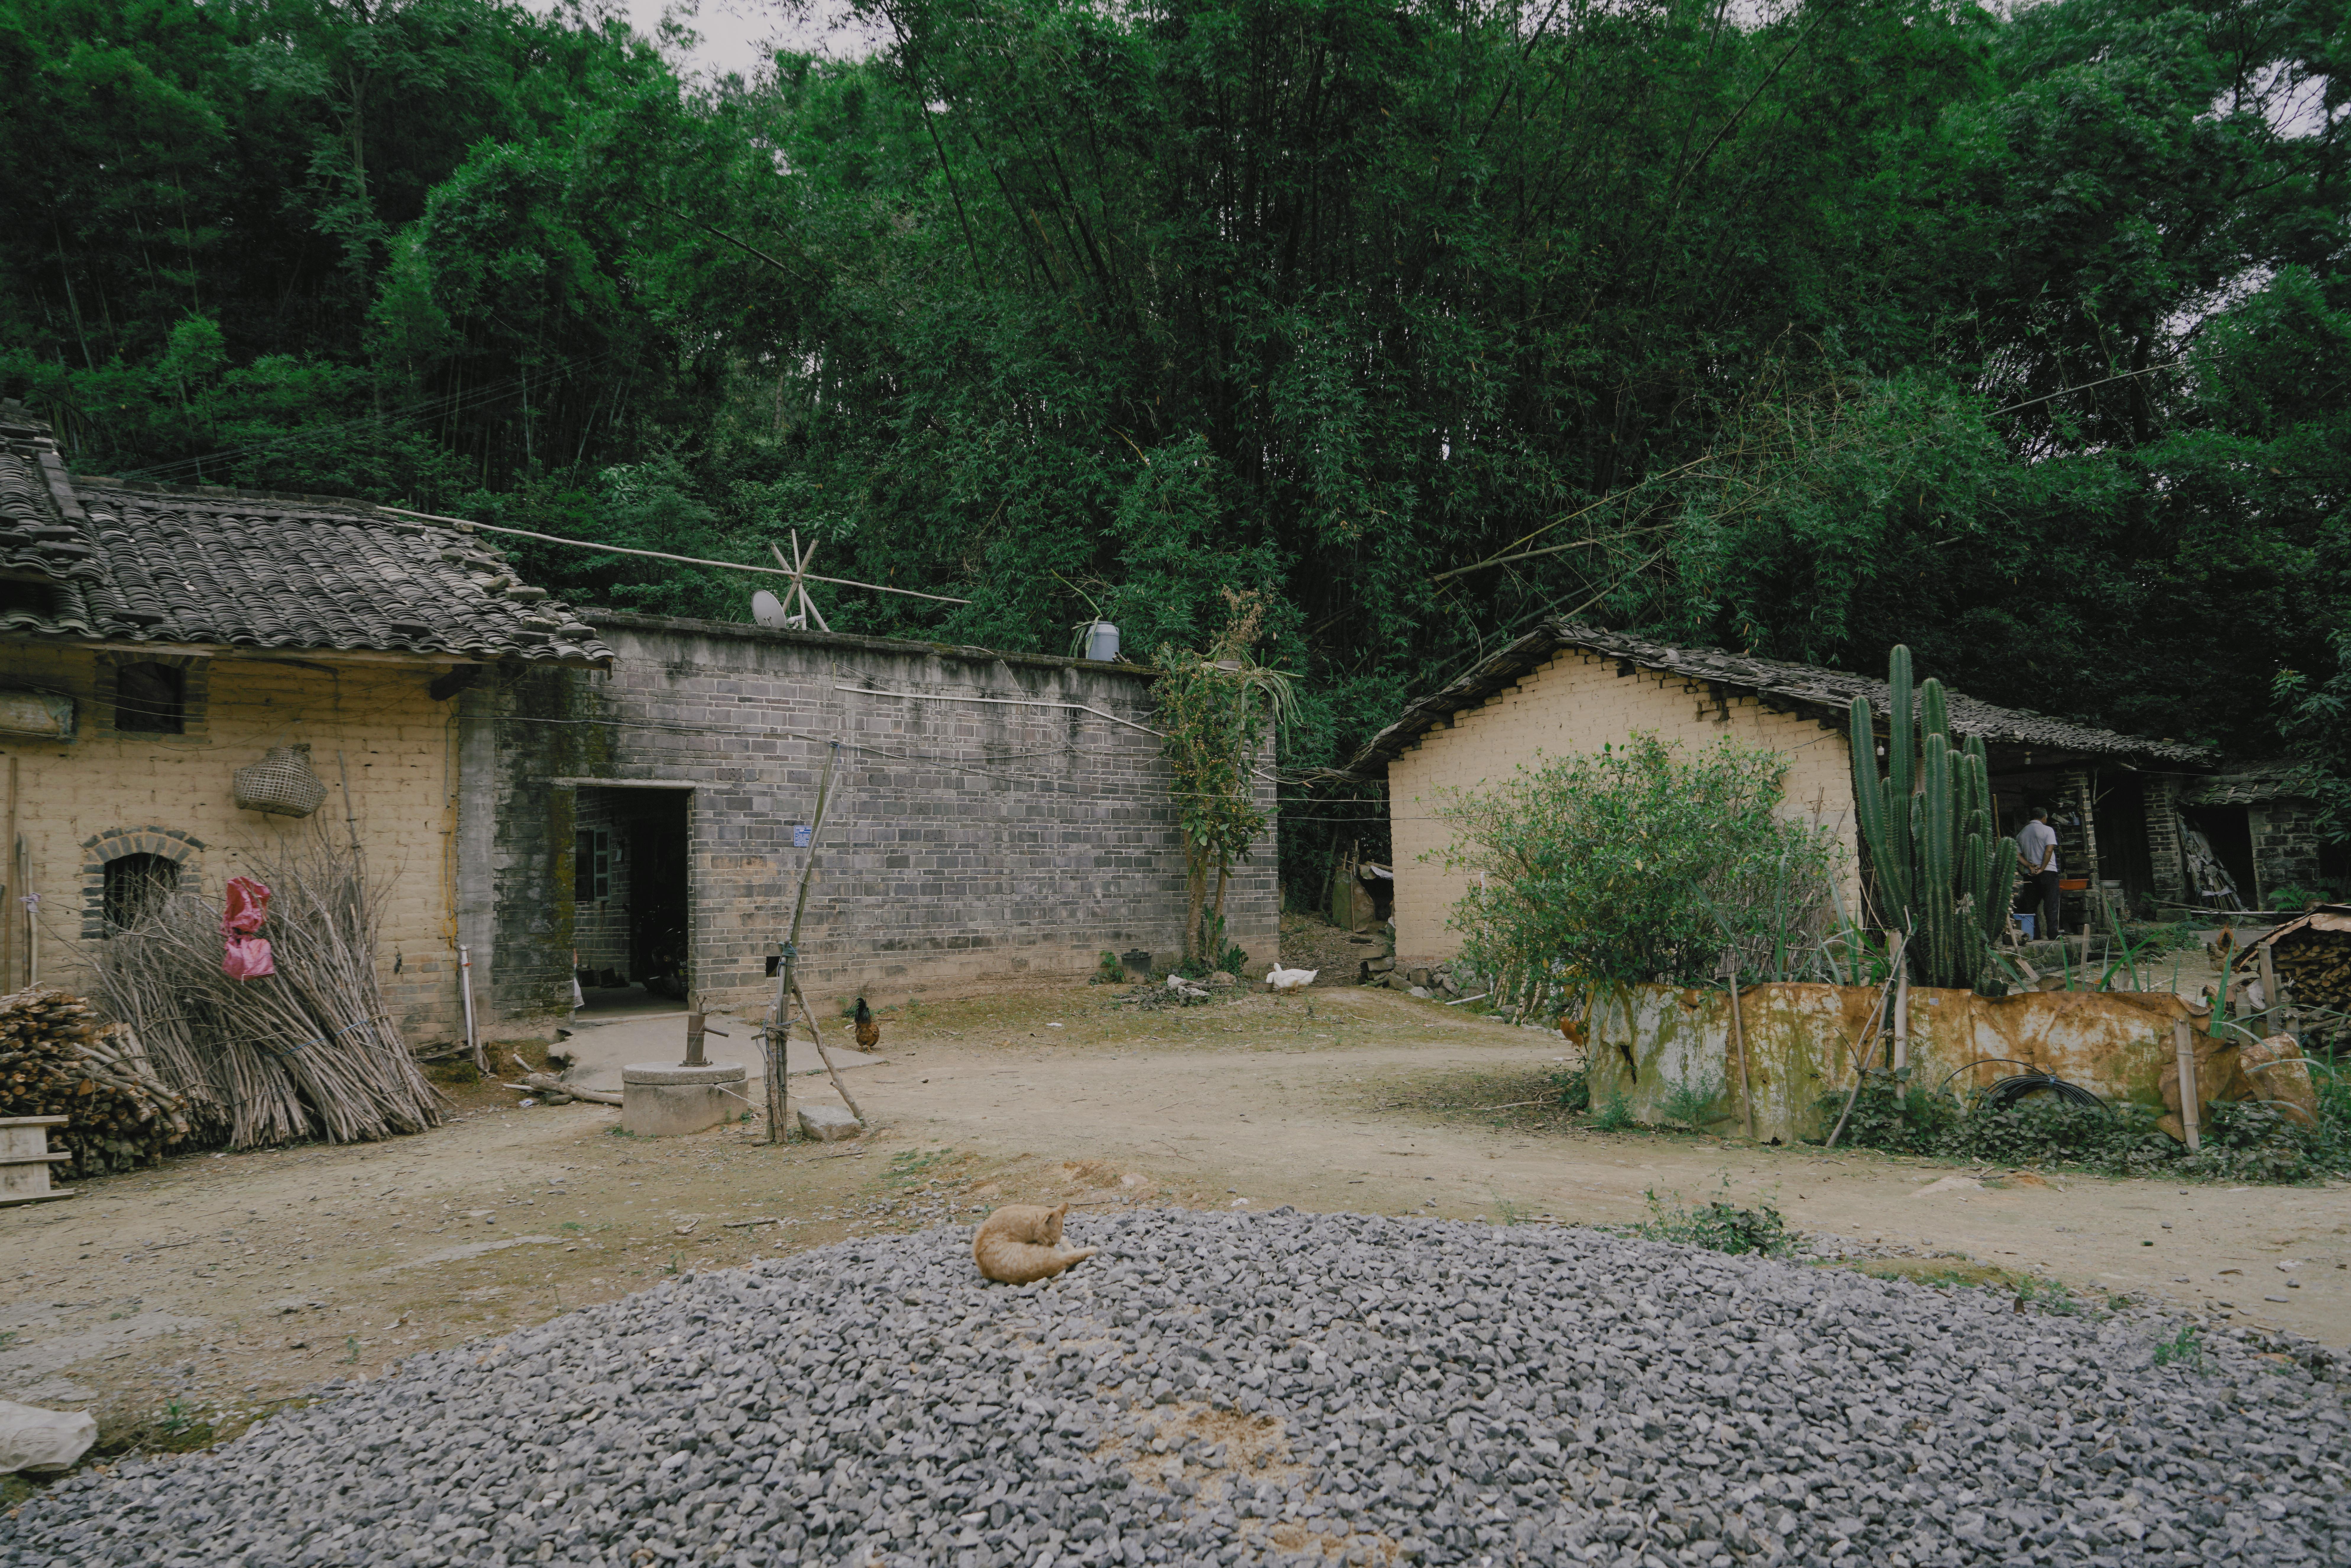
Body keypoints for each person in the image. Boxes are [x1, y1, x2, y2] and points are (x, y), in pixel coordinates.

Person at [2016, 806, 2061, 940]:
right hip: (2048, 872)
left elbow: (2018, 855)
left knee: (2031, 906)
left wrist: (2029, 866)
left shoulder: (2021, 834)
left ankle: (2034, 934)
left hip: (2029, 874)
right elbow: (2049, 851)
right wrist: (2042, 868)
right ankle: (2053, 934)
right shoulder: (2048, 830)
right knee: (2051, 904)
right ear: (2044, 818)